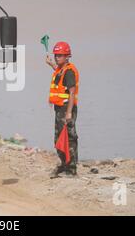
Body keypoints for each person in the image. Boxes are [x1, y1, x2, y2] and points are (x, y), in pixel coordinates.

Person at [46, 42, 80, 177]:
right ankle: (64, 164)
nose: (57, 58)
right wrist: (51, 65)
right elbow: (60, 75)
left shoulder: (70, 72)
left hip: (67, 108)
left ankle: (71, 169)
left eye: (60, 55)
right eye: (56, 55)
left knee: (69, 138)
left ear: (67, 56)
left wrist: (69, 113)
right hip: (59, 109)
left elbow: (72, 93)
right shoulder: (61, 69)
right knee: (58, 139)